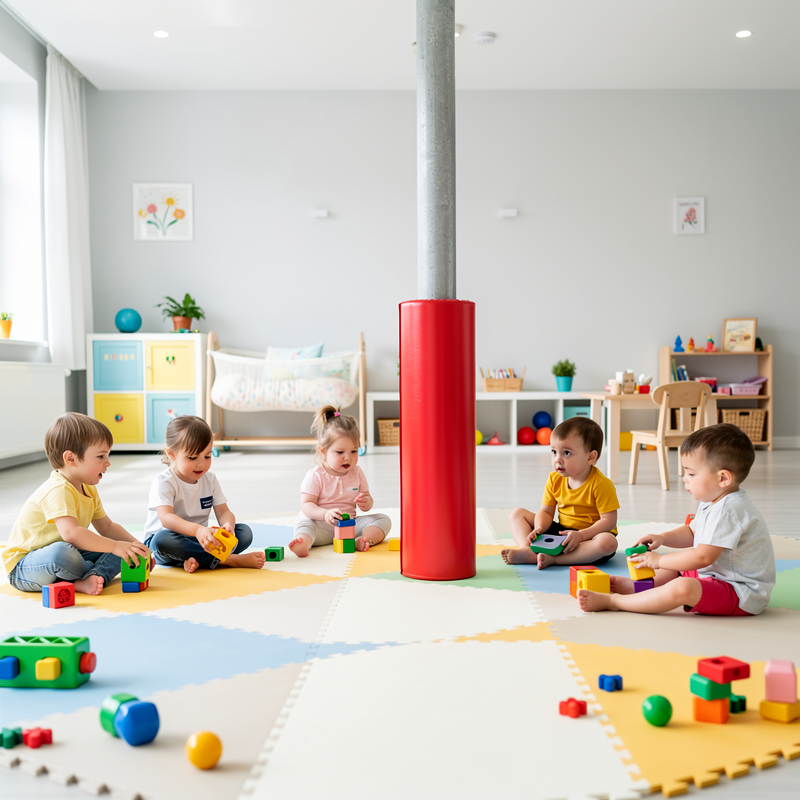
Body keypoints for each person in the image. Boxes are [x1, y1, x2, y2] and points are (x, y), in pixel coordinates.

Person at [578, 423, 775, 615]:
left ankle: (616, 602)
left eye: (691, 473)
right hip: (716, 575)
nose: (684, 478)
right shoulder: (714, 498)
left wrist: (659, 561)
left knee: (682, 586)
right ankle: (641, 590)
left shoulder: (729, 510)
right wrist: (662, 538)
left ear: (723, 478)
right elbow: (691, 531)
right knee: (678, 568)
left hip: (740, 593)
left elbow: (702, 557)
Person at [4, 413, 152, 596]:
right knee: (62, 552)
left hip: (71, 554)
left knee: (121, 549)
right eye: (101, 456)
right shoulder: (57, 489)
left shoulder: (88, 488)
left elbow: (107, 526)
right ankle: (83, 579)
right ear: (71, 459)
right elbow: (71, 533)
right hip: (26, 567)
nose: (108, 463)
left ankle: (89, 578)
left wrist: (137, 547)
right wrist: (114, 547)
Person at [144, 416, 264, 572]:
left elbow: (224, 512)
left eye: (207, 456)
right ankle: (227, 560)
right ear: (171, 454)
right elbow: (166, 519)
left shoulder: (210, 479)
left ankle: (193, 560)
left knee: (245, 533)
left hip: (199, 540)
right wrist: (197, 530)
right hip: (167, 542)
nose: (201, 464)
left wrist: (228, 526)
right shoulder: (164, 482)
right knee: (162, 540)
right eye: (192, 458)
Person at [501, 417, 619, 568]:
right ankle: (530, 549)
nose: (558, 459)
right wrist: (539, 528)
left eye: (567, 453)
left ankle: (554, 560)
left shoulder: (601, 484)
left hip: (589, 537)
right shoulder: (554, 479)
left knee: (608, 543)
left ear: (590, 457)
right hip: (561, 533)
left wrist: (581, 535)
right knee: (518, 514)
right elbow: (546, 512)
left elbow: (609, 522)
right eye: (554, 452)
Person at [289, 405, 391, 557]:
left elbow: (367, 500)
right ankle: (304, 543)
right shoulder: (315, 475)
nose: (348, 457)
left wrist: (366, 502)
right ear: (323, 451)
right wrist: (325, 514)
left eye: (354, 451)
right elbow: (306, 505)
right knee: (304, 524)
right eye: (340, 452)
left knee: (383, 520)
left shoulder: (357, 473)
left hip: (349, 527)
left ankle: (363, 540)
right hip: (320, 527)